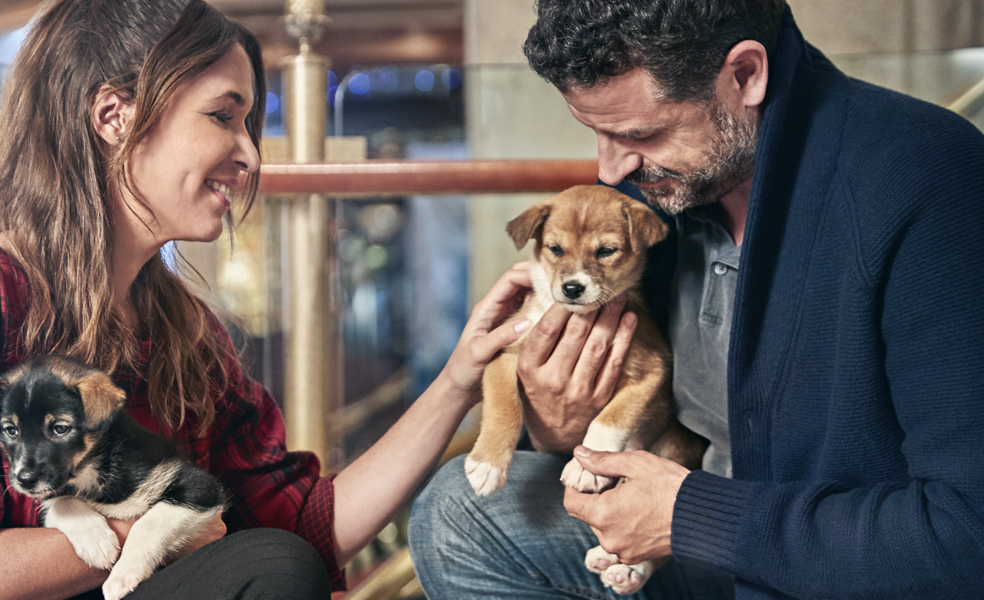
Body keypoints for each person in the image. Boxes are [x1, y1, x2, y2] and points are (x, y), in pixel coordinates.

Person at [0, 1, 540, 598]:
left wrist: (460, 380)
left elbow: (303, 522)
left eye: (248, 124)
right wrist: (153, 526)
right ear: (115, 115)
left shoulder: (181, 327)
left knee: (278, 560)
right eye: (222, 117)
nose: (251, 156)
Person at [409, 0, 984, 598]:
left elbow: (969, 533)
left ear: (744, 76)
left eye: (640, 133)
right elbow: (642, 407)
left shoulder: (929, 178)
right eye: (596, 133)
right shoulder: (668, 192)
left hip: (836, 565)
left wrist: (692, 517)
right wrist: (562, 428)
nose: (611, 170)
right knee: (458, 514)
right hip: (691, 533)